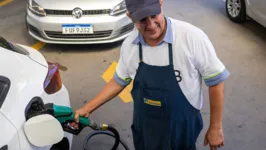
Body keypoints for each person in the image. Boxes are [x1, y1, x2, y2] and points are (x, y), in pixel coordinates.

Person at [72, 0, 230, 149]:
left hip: (181, 130)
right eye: (142, 19)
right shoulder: (130, 45)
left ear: (161, 3)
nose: (151, 25)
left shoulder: (191, 37)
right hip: (146, 130)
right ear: (130, 16)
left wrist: (215, 126)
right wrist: (88, 107)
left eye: (154, 15)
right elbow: (119, 80)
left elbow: (215, 80)